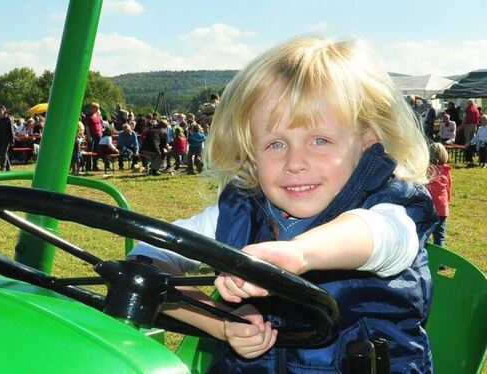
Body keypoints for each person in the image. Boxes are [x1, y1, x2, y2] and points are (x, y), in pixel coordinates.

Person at [128, 37, 438, 373]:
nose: (296, 162)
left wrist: (300, 252)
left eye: (320, 140)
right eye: (275, 143)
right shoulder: (237, 212)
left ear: (367, 140)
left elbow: (381, 237)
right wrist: (222, 321)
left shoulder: (390, 207)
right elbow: (150, 255)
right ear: (250, 151)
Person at [426, 143, 452, 247]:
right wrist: (446, 203)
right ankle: (440, 261)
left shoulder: (426, 170)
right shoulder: (446, 171)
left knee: (424, 236)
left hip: (428, 208)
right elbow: (448, 189)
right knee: (439, 237)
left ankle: (422, 259)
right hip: (442, 209)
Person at [0, 105, 15, 172]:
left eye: (0, 110)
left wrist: (12, 139)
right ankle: (8, 168)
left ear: (4, 110)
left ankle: (3, 167)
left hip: (7, 138)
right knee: (3, 152)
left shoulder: (8, 118)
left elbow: (11, 130)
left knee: (4, 152)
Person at [84, 102, 103, 171]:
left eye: (98, 108)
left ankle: (95, 166)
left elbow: (100, 124)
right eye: (96, 108)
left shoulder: (98, 115)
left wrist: (100, 131)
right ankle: (88, 166)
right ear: (92, 108)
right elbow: (87, 127)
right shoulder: (88, 116)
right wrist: (89, 136)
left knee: (96, 150)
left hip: (98, 134)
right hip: (92, 135)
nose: (97, 109)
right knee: (90, 150)